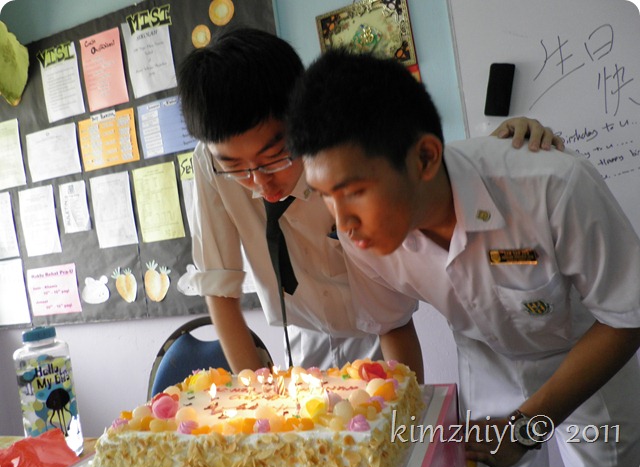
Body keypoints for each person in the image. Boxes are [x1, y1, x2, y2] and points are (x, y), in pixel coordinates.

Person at [285, 49, 640, 467]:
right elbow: (391, 323)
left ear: (425, 158)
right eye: (326, 195)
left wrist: (524, 428)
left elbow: (626, 318)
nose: (344, 223)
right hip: (486, 366)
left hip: (586, 368)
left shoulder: (551, 188)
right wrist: (404, 435)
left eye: (355, 191)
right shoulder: (360, 236)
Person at [177, 27, 562, 376]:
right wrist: (254, 390)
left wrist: (497, 152)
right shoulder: (212, 163)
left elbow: (420, 173)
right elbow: (219, 287)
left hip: (381, 328)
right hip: (304, 331)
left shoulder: (338, 144)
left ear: (299, 116)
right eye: (235, 167)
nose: (259, 181)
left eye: (275, 156)